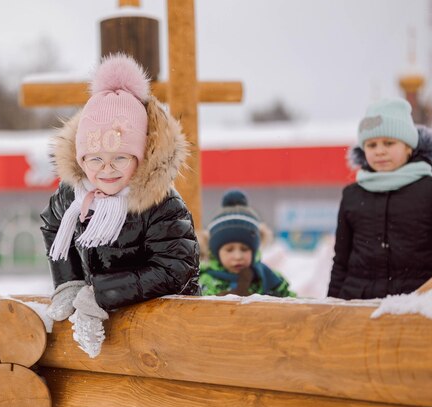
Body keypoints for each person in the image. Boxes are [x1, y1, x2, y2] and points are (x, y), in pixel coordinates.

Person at [40, 54, 200, 358]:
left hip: (169, 332)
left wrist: (101, 293)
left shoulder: (160, 204)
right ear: (81, 159)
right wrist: (69, 283)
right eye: (95, 159)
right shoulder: (73, 196)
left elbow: (175, 268)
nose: (107, 170)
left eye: (120, 159)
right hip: (116, 331)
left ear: (140, 158)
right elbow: (52, 225)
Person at [328, 97, 432, 299]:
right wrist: (330, 307)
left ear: (408, 147)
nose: (380, 151)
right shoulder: (352, 195)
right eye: (372, 145)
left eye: (389, 143)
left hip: (418, 307)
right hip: (357, 307)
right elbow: (341, 261)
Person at [199, 190, 295, 297]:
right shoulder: (205, 281)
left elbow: (293, 303)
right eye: (229, 250)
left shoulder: (268, 279)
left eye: (244, 249)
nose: (238, 256)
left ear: (254, 251)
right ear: (215, 252)